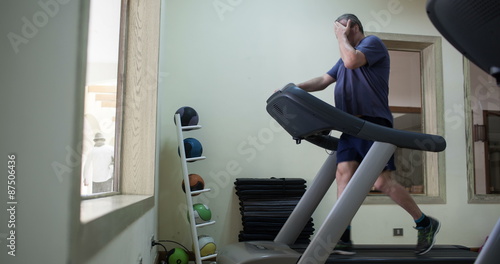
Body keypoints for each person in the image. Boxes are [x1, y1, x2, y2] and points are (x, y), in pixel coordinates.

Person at [296, 13, 440, 255]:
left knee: (382, 182)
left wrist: (342, 37)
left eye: (340, 29)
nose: (337, 34)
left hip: (373, 125)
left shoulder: (371, 44)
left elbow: (352, 61)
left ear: (353, 27)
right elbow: (323, 80)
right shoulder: (343, 58)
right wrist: (293, 88)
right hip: (350, 127)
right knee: (343, 174)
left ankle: (425, 223)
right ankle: (342, 235)